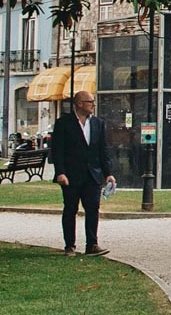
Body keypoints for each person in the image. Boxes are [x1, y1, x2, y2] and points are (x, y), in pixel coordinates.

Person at [50, 90, 116, 256]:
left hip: (92, 174)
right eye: (90, 101)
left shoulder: (98, 123)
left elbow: (103, 150)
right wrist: (60, 172)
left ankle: (92, 244)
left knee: (93, 208)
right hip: (71, 175)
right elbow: (58, 151)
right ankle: (69, 245)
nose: (93, 104)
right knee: (70, 209)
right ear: (80, 103)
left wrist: (108, 173)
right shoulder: (63, 123)